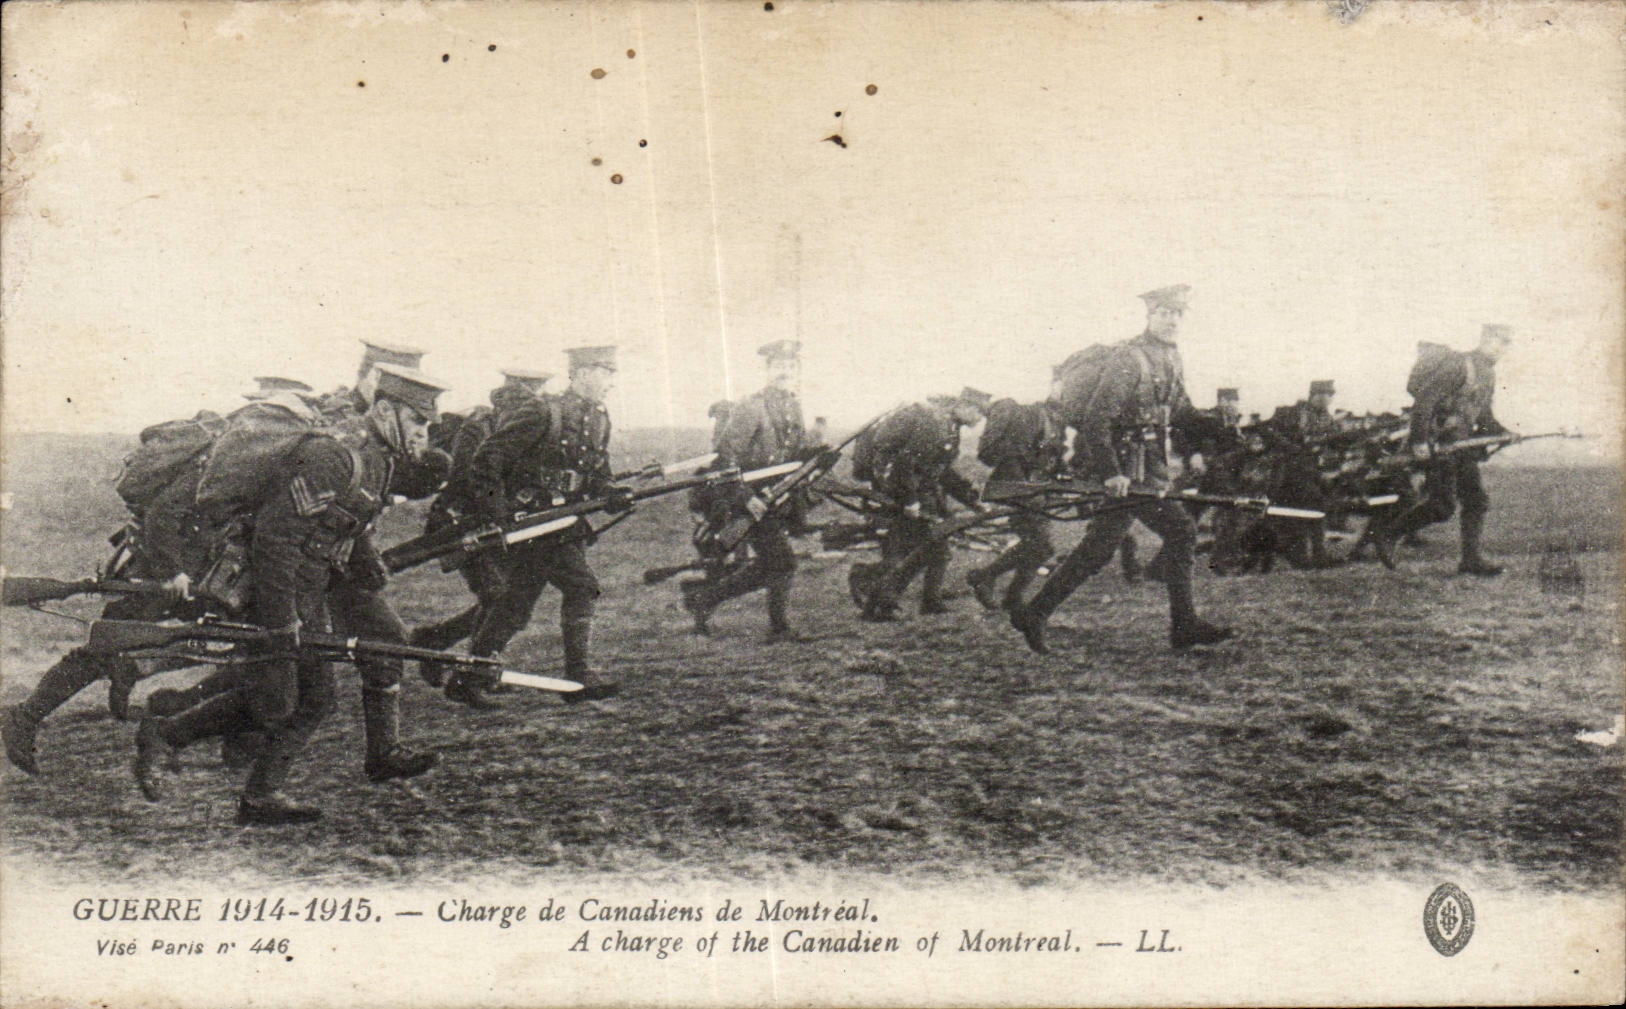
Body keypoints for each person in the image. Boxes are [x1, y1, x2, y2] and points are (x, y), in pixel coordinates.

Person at [134, 365, 449, 824]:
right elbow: (274, 539)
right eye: (418, 422)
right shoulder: (334, 456)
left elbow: (346, 519)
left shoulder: (377, 459)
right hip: (273, 586)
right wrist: (282, 621)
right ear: (384, 412)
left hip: (309, 585)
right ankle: (166, 735)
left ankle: (259, 797)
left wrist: (364, 560)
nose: (425, 433)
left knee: (313, 699)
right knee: (275, 702)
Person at [1010, 284, 1233, 652]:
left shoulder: (1173, 358)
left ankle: (1034, 613)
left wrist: (1216, 421)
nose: (1172, 320)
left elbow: (1180, 412)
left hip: (1147, 469)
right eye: (1165, 312)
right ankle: (1184, 625)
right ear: (1150, 315)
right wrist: (1112, 472)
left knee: (1099, 548)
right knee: (1180, 530)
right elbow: (1098, 418)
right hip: (1127, 471)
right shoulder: (1130, 358)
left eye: (1178, 314)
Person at [441, 345, 626, 707]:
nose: (611, 384)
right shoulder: (544, 411)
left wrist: (612, 492)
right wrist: (500, 517)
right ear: (583, 372)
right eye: (607, 373)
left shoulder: (600, 418)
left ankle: (468, 678)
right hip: (530, 524)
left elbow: (597, 473)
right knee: (582, 587)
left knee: (515, 603)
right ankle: (578, 675)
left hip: (561, 523)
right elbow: (488, 458)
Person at [408, 368, 553, 683]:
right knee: (498, 596)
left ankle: (439, 642)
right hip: (460, 521)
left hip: (489, 523)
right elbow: (465, 480)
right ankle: (472, 671)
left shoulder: (515, 427)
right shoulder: (480, 426)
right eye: (526, 392)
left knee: (505, 600)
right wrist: (498, 512)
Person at [681, 339, 819, 641]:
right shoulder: (751, 407)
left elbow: (793, 452)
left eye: (791, 366)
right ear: (767, 369)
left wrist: (816, 452)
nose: (785, 371)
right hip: (749, 499)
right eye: (779, 365)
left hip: (777, 498)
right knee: (782, 562)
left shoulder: (793, 405)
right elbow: (725, 459)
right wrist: (746, 498)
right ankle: (778, 627)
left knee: (770, 564)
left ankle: (704, 600)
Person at [1371, 324, 1514, 575]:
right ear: (1483, 339)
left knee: (1476, 500)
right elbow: (1425, 401)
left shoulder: (1488, 375)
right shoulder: (1460, 365)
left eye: (1506, 343)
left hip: (1462, 446)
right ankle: (1388, 533)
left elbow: (1484, 416)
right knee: (1442, 506)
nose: (1500, 348)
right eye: (1496, 341)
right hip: (1440, 444)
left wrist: (1504, 433)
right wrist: (1418, 441)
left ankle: (1470, 559)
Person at [853, 387, 990, 621]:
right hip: (902, 491)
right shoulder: (935, 425)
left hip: (920, 492)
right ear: (965, 407)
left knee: (935, 548)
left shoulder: (948, 427)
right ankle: (879, 602)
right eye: (978, 413)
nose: (979, 420)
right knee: (915, 551)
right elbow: (906, 462)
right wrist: (910, 500)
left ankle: (927, 601)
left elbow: (941, 471)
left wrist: (972, 501)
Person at [965, 378, 1067, 612]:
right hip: (1017, 484)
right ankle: (985, 576)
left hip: (1033, 486)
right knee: (1041, 545)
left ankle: (1012, 596)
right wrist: (1024, 485)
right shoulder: (1033, 414)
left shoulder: (1056, 419)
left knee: (1037, 544)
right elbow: (1014, 453)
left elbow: (1054, 453)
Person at [1265, 379, 1343, 569]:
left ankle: (1318, 554)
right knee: (1301, 510)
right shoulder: (1293, 413)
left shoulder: (1328, 419)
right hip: (1287, 470)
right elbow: (1269, 432)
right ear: (1313, 395)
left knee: (1317, 508)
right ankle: (1302, 555)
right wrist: (1293, 448)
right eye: (1322, 395)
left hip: (1312, 470)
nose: (1326, 399)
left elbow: (1334, 444)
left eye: (1330, 395)